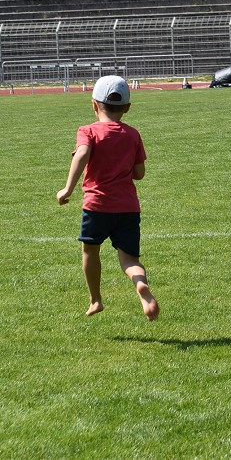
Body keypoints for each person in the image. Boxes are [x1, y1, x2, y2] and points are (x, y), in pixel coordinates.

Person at [56, 75, 160, 321]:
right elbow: (139, 174)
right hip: (127, 207)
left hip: (97, 205)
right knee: (129, 258)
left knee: (90, 250)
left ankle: (95, 299)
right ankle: (140, 284)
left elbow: (82, 154)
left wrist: (67, 188)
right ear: (127, 107)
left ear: (94, 104)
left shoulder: (88, 131)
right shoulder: (133, 135)